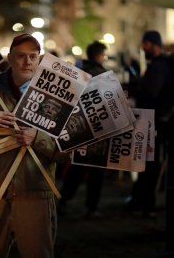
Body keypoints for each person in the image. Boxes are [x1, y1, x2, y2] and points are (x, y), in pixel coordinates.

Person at [0, 33, 65, 258]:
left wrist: (36, 138)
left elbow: (66, 150)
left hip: (36, 192)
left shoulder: (55, 99)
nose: (27, 62)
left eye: (33, 56)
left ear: (39, 60)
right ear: (9, 58)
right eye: (20, 56)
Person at [126, 30, 174, 216]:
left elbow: (152, 92)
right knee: (147, 162)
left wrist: (137, 89)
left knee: (149, 163)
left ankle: (145, 203)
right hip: (155, 121)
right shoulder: (159, 65)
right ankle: (141, 200)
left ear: (153, 44)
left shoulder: (159, 66)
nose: (143, 47)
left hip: (155, 122)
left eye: (145, 44)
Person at [59, 40, 108, 219]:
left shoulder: (80, 71)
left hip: (80, 128)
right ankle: (91, 207)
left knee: (77, 168)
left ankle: (64, 199)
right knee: (96, 171)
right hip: (98, 127)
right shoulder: (100, 74)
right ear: (99, 55)